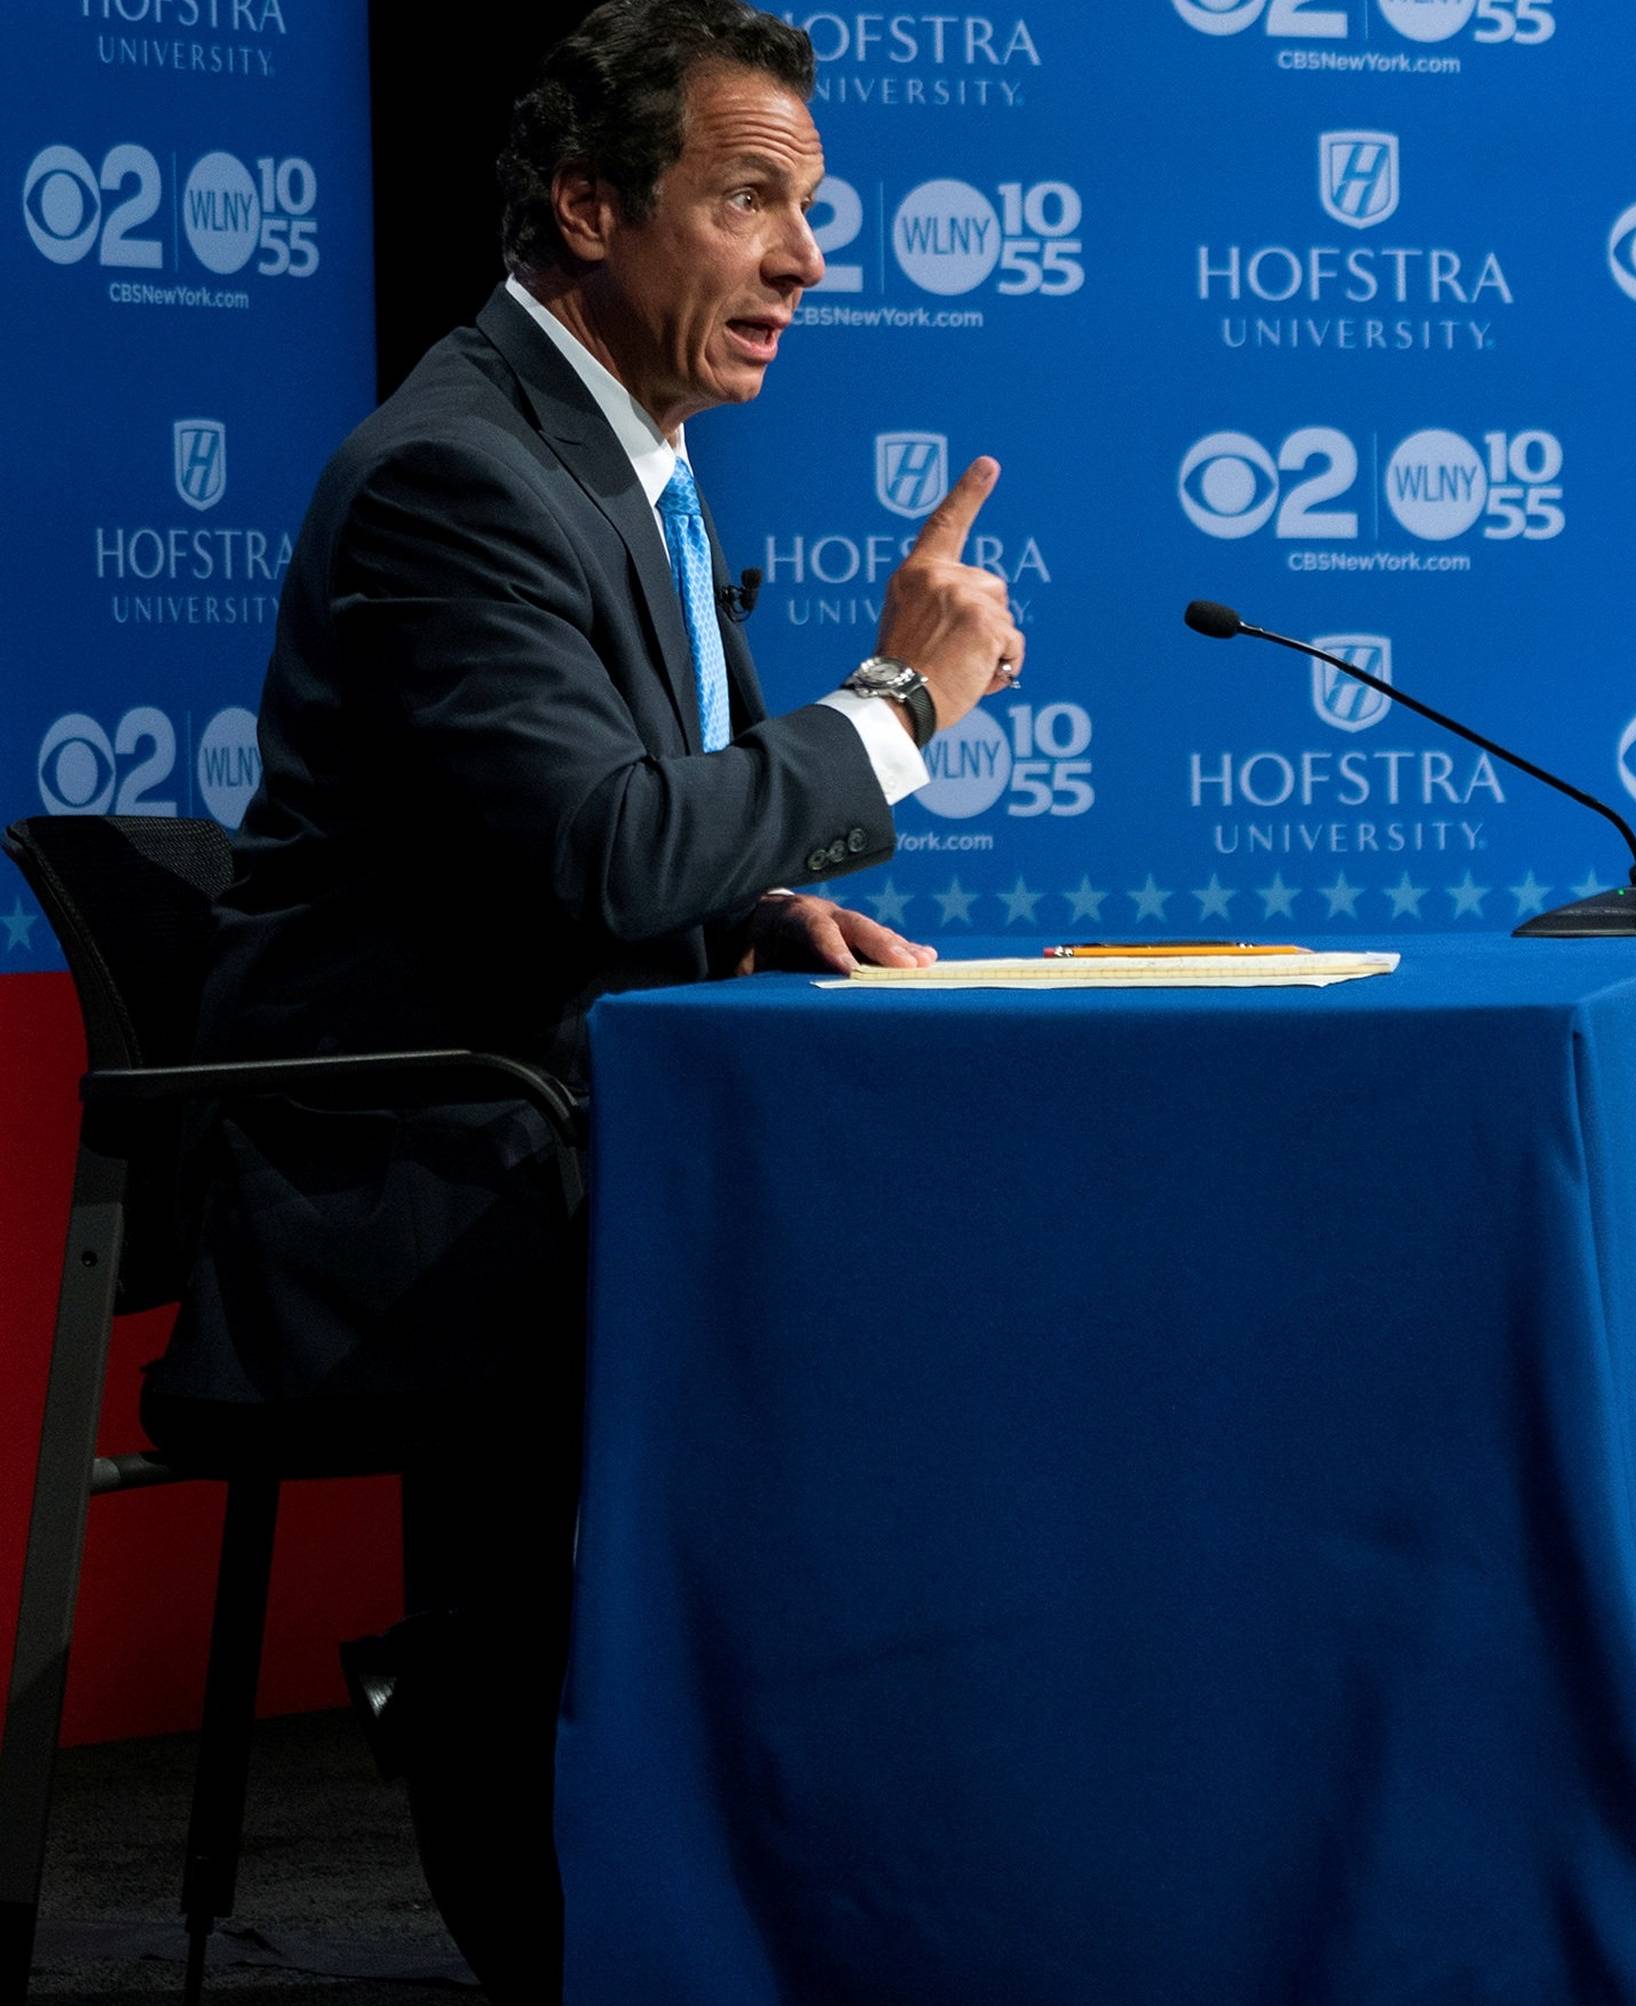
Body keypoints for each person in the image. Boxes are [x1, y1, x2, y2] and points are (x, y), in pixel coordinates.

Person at [138, 2, 1024, 1996]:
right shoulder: (462, 471)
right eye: (752, 201)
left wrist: (767, 906)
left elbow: (588, 841)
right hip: (439, 1174)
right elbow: (606, 849)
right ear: (590, 205)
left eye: (815, 208)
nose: (810, 256)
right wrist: (898, 709)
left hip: (572, 1119)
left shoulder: (621, 462)